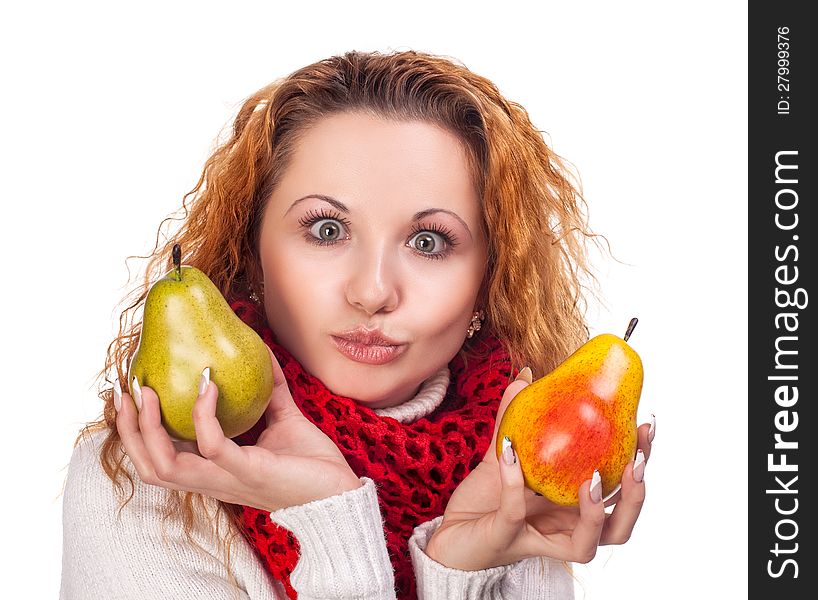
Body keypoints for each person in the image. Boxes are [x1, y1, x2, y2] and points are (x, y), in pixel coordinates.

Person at [60, 49, 654, 600]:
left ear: (487, 284)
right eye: (326, 230)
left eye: (428, 241)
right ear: (252, 252)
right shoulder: (144, 478)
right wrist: (330, 516)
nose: (372, 292)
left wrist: (465, 563)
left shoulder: (516, 469)